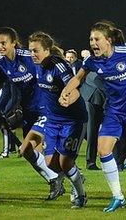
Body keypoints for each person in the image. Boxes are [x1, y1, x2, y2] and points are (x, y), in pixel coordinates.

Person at [60, 22, 126, 212]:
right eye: (91, 39)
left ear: (108, 40)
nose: (93, 43)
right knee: (103, 149)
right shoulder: (91, 61)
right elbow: (77, 79)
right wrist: (65, 92)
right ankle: (118, 196)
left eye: (97, 39)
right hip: (114, 112)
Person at [0, 27, 64, 200]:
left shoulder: (28, 57)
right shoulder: (1, 62)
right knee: (30, 153)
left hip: (46, 107)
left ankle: (61, 179)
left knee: (26, 148)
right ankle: (60, 178)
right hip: (28, 110)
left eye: (3, 43)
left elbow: (53, 69)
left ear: (13, 43)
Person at [28, 32, 88, 208]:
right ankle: (76, 175)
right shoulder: (36, 65)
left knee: (65, 162)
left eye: (36, 50)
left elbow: (74, 86)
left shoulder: (58, 65)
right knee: (50, 163)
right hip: (52, 121)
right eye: (31, 50)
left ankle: (81, 195)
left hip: (73, 120)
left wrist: (67, 97)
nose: (33, 54)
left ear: (47, 50)